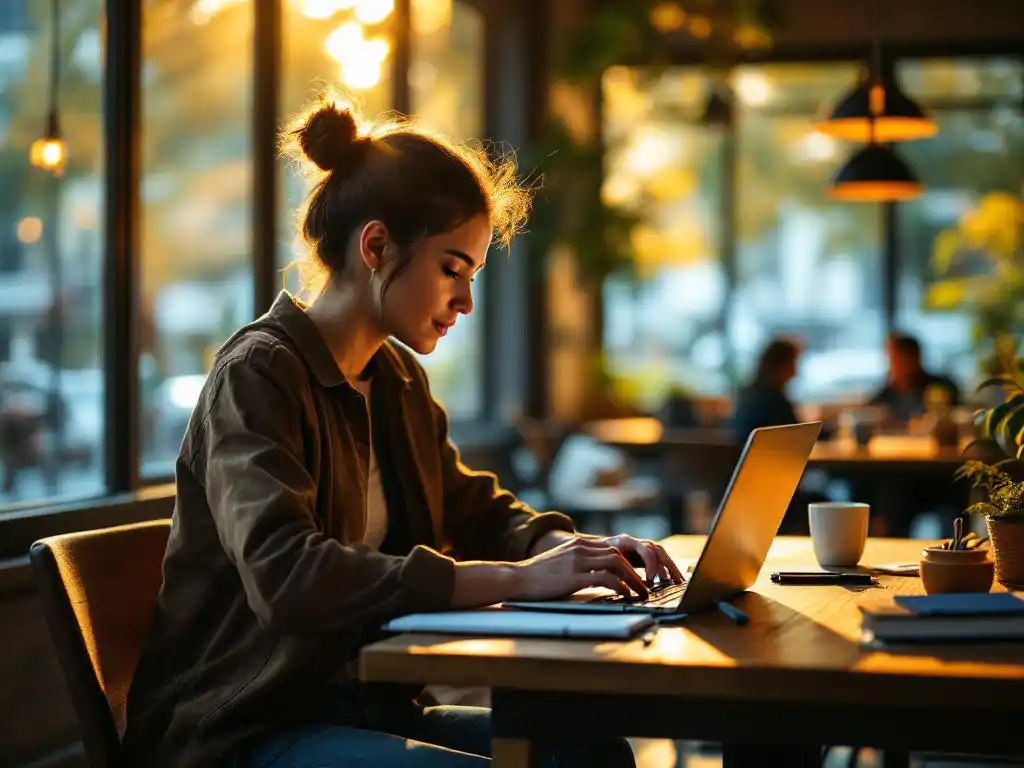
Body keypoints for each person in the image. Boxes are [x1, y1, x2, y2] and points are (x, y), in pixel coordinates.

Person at [120, 96, 684, 768]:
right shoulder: (260, 373)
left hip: (363, 707)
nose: (466, 301)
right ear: (377, 245)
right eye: (452, 269)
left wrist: (574, 551)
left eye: (471, 276)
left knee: (588, 753)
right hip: (241, 729)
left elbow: (472, 507)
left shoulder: (395, 380)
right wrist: (522, 578)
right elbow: (286, 574)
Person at [868, 332, 961, 424]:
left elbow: (957, 416)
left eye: (897, 359)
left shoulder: (941, 387)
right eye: (891, 359)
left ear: (914, 358)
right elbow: (870, 413)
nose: (892, 366)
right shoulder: (885, 395)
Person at [731, 337, 801, 443]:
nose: (795, 372)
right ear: (781, 365)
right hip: (767, 456)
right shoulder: (772, 398)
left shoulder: (750, 391)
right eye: (793, 363)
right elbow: (797, 435)